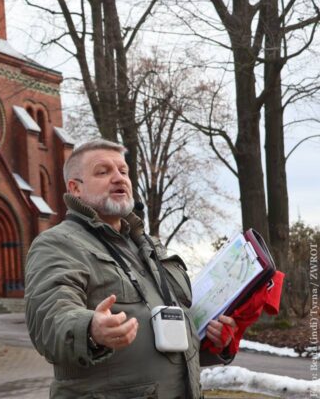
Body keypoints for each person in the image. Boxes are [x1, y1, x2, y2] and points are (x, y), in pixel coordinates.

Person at [25, 139, 237, 398]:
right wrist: (90, 328)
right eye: (103, 172)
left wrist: (213, 341)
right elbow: (48, 320)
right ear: (75, 188)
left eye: (123, 171)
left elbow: (166, 338)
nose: (118, 178)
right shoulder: (58, 243)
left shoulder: (148, 246)